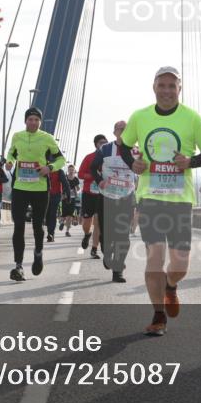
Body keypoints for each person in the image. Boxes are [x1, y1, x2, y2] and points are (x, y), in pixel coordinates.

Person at [119, 66, 201, 336]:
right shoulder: (139, 117)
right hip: (150, 198)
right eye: (162, 85)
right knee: (154, 258)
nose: (167, 90)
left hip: (180, 200)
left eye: (172, 86)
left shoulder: (191, 118)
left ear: (179, 89)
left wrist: (190, 161)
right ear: (154, 87)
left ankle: (171, 286)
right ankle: (158, 315)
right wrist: (133, 164)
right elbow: (125, 147)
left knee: (180, 264)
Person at [5, 107, 66, 280]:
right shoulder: (17, 136)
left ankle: (38, 254)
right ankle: (18, 266)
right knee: (18, 226)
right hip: (20, 188)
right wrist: (9, 162)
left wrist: (50, 168)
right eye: (30, 119)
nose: (33, 122)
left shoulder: (47, 138)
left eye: (36, 120)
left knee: (38, 226)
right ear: (25, 121)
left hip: (40, 189)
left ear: (40, 122)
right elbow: (12, 152)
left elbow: (61, 159)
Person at [90, 120, 137, 283]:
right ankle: (106, 251)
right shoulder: (105, 149)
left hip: (126, 197)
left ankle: (118, 270)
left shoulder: (136, 151)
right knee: (106, 231)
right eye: (120, 129)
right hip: (106, 196)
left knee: (123, 234)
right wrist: (99, 181)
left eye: (126, 129)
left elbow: (142, 169)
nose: (123, 131)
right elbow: (93, 168)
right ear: (114, 132)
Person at [78, 135, 108, 258]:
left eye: (106, 142)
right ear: (96, 144)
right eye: (101, 143)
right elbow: (80, 174)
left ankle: (94, 249)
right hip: (88, 193)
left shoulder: (109, 158)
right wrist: (93, 176)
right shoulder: (89, 157)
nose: (104, 144)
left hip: (102, 193)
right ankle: (87, 234)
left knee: (98, 221)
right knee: (87, 222)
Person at [46, 167, 66, 242]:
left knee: (52, 214)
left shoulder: (59, 171)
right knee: (47, 214)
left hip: (56, 195)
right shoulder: (45, 169)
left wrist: (66, 193)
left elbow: (65, 183)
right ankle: (49, 231)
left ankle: (51, 234)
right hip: (46, 194)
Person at [61, 165, 80, 236]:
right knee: (64, 214)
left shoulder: (76, 179)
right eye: (70, 170)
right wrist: (62, 195)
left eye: (72, 170)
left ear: (74, 171)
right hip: (65, 198)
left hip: (72, 198)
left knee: (70, 215)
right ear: (68, 170)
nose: (71, 171)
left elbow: (78, 189)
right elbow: (61, 187)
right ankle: (62, 222)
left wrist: (75, 189)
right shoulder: (65, 178)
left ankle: (67, 231)